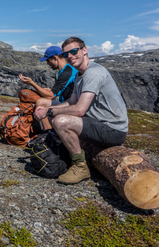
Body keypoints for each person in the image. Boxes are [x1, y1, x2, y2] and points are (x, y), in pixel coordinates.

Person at [34, 37, 128, 185]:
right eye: (66, 54)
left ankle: (80, 166)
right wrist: (48, 108)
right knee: (57, 115)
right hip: (98, 122)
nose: (70, 56)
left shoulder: (93, 73)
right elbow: (71, 102)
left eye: (73, 51)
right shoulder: (79, 74)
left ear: (84, 50)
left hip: (113, 130)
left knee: (60, 120)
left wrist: (50, 112)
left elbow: (79, 110)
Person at [19, 45, 77, 130]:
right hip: (66, 102)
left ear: (55, 57)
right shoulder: (64, 70)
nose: (48, 63)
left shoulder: (67, 72)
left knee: (41, 102)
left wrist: (32, 83)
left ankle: (47, 134)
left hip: (70, 105)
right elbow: (60, 90)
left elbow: (51, 96)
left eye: (48, 60)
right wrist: (48, 90)